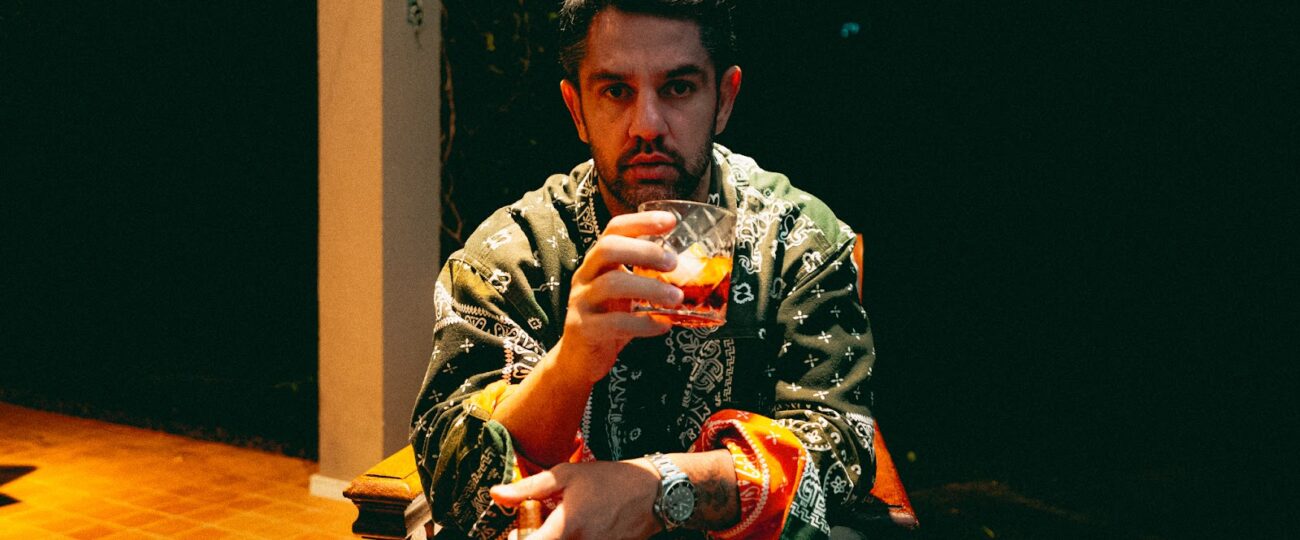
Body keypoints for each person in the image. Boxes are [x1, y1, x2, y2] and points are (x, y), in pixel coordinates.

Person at [410, 1, 880, 538]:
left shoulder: (799, 241)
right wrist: (568, 367)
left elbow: (841, 450)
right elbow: (452, 481)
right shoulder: (510, 259)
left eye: (678, 87)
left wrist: (660, 489)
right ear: (577, 110)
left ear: (724, 99)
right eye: (616, 91)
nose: (647, 125)